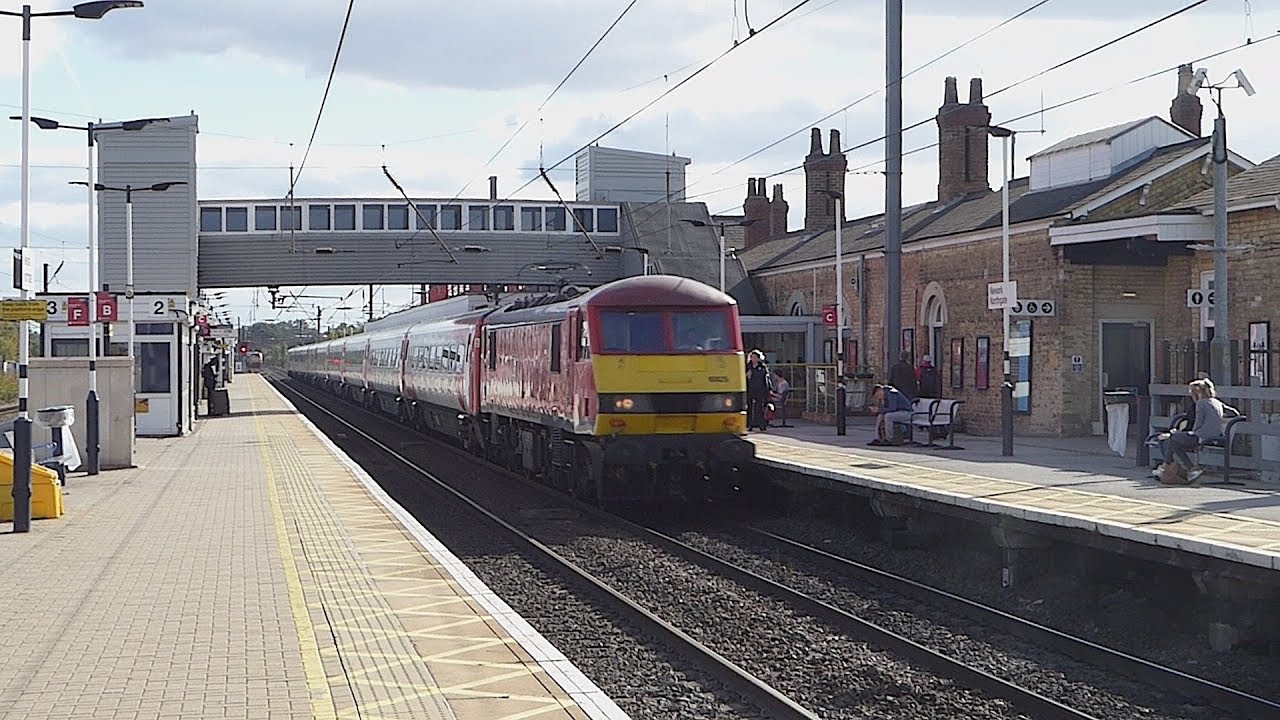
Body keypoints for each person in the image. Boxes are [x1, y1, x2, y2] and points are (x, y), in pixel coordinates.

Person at [1155, 379, 1226, 484]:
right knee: (1174, 442)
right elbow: (1233, 411)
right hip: (1215, 435)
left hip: (1202, 436)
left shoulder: (1201, 403)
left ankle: (1169, 466)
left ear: (1198, 392)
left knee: (1172, 438)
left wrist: (1183, 433)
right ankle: (1187, 468)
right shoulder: (1217, 402)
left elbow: (1198, 424)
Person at [745, 350, 773, 431]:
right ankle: (750, 425)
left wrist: (769, 389)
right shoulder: (747, 367)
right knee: (750, 407)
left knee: (759, 407)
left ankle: (761, 424)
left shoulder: (762, 367)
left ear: (758, 358)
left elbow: (766, 378)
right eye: (752, 357)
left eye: (755, 357)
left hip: (760, 389)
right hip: (750, 389)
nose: (753, 359)